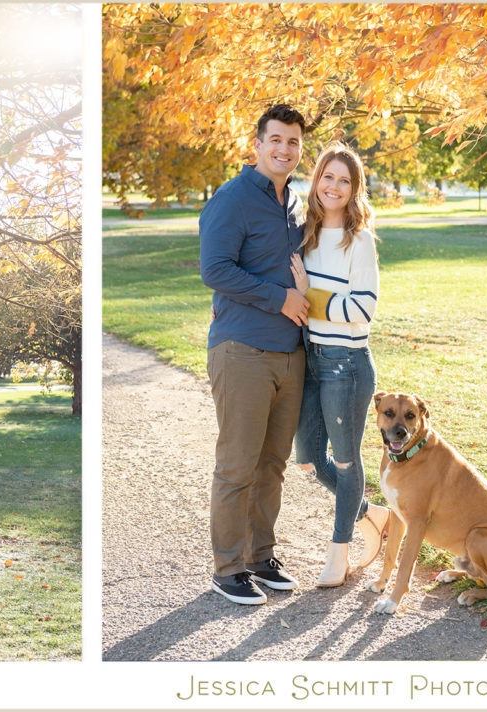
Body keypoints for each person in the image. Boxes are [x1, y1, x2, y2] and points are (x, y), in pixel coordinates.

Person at [199, 104, 311, 605]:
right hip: (242, 350)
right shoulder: (233, 198)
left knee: (273, 465)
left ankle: (261, 558)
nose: (284, 149)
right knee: (237, 466)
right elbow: (215, 269)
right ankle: (228, 569)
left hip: (291, 354)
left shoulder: (294, 203)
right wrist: (280, 297)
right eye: (276, 140)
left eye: (293, 142)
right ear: (258, 143)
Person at [289, 141, 390, 587]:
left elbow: (363, 307)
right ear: (316, 181)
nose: (334, 186)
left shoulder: (360, 240)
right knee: (309, 458)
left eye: (344, 181)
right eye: (327, 177)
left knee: (346, 463)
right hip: (310, 361)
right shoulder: (305, 232)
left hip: (346, 365)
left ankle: (338, 554)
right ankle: (373, 515)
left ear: (354, 190)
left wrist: (309, 294)